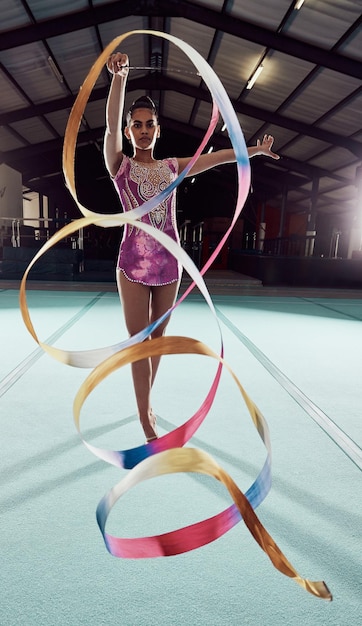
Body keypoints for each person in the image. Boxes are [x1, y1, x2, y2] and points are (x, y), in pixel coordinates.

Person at [104, 52, 280, 443]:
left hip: (170, 263)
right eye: (137, 125)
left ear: (158, 130)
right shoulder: (120, 165)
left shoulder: (170, 167)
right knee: (138, 342)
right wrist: (120, 78)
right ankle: (145, 418)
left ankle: (147, 400)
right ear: (130, 131)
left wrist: (252, 151)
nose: (143, 130)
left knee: (159, 341)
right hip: (133, 262)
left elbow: (216, 158)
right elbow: (109, 129)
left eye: (150, 125)